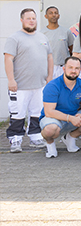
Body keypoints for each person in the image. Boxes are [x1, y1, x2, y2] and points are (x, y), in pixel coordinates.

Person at [4, 8, 53, 152]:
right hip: (20, 86)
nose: (31, 21)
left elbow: (49, 57)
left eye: (33, 18)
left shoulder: (42, 37)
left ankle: (35, 137)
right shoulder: (15, 38)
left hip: (39, 85)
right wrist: (11, 80)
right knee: (18, 114)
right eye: (28, 18)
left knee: (37, 113)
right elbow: (8, 59)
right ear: (22, 20)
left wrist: (49, 77)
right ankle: (15, 140)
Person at [40, 56, 81, 158]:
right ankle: (50, 144)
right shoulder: (53, 85)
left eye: (77, 68)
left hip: (74, 115)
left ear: (80, 70)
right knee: (49, 130)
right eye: (70, 68)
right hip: (54, 118)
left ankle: (70, 137)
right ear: (64, 68)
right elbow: (49, 112)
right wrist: (70, 118)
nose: (73, 71)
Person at [42, 6, 74, 78]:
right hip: (48, 68)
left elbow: (72, 49)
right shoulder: (41, 33)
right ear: (46, 16)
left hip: (63, 67)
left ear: (58, 16)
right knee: (50, 88)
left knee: (64, 88)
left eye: (55, 13)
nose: (53, 15)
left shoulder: (66, 32)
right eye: (51, 13)